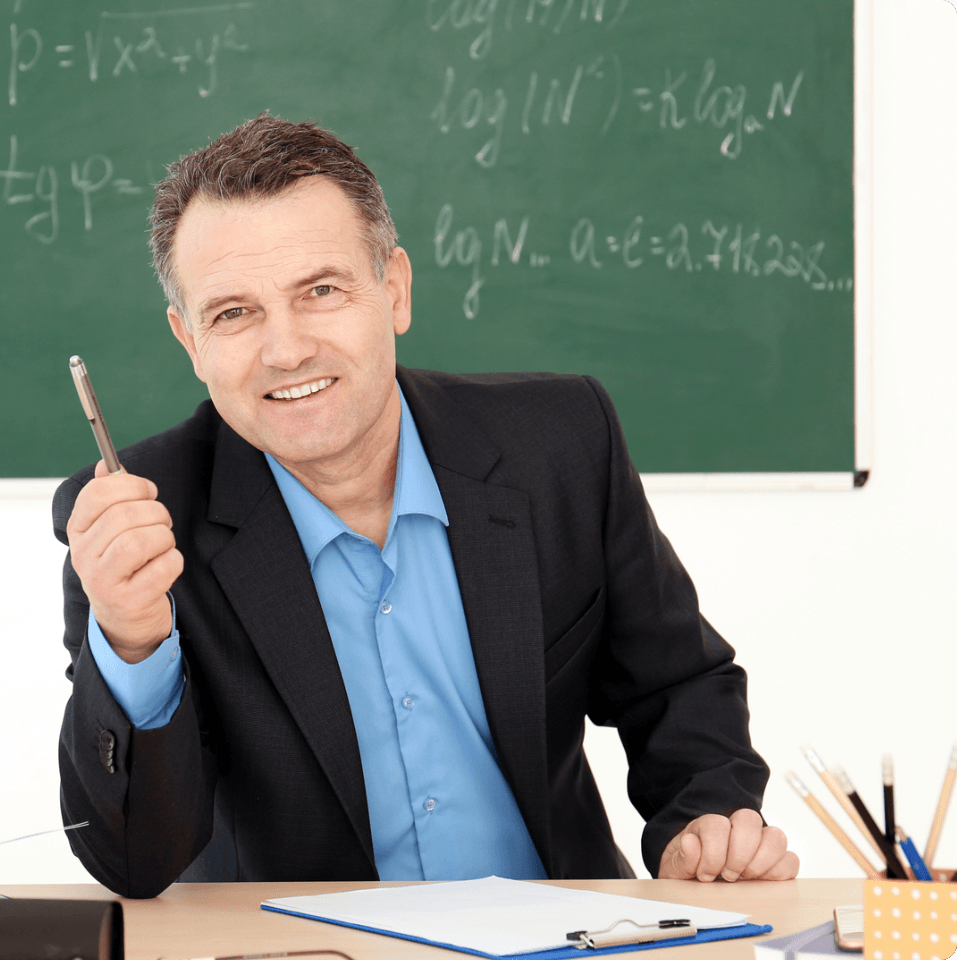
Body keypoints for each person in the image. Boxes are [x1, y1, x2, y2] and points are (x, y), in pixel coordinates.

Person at [53, 114, 799, 898]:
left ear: (395, 291)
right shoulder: (136, 523)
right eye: (233, 313)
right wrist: (133, 642)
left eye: (322, 291)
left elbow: (677, 686)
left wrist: (701, 822)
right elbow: (136, 861)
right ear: (190, 341)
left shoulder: (561, 445)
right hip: (306, 949)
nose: (287, 349)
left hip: (563, 934)